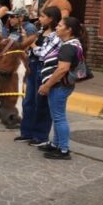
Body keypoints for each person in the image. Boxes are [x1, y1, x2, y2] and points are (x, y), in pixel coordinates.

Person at [36, 16, 83, 160]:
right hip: (61, 85)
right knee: (56, 116)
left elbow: (62, 69)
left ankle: (63, 149)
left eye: (60, 26)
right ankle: (56, 144)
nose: (57, 27)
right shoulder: (71, 43)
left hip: (59, 86)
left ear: (69, 30)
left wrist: (47, 85)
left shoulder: (68, 47)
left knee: (59, 117)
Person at [16, 6, 62, 146]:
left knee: (41, 102)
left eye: (42, 16)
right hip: (33, 66)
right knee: (28, 101)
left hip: (44, 68)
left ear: (51, 18)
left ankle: (40, 136)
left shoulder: (55, 35)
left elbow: (44, 53)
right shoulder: (41, 31)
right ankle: (27, 132)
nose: (40, 19)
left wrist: (34, 45)